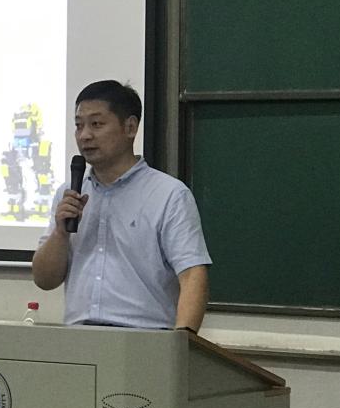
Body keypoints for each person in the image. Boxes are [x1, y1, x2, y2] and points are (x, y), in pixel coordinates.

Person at [31, 80, 211, 332]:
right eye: (79, 125)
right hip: (78, 337)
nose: (84, 135)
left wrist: (180, 344)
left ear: (130, 127)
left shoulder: (169, 195)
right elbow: (44, 280)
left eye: (96, 124)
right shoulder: (69, 193)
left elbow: (193, 275)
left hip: (144, 337)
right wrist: (60, 233)